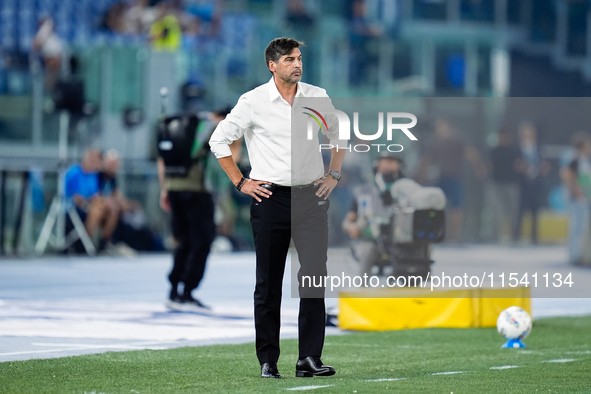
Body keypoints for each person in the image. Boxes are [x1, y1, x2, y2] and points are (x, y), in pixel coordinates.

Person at [209, 37, 344, 379]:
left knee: (313, 279)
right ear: (272, 65)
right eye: (289, 60)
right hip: (270, 198)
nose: (297, 64)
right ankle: (268, 360)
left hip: (311, 198)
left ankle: (309, 359)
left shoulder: (317, 96)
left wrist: (334, 173)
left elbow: (337, 135)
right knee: (269, 282)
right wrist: (241, 181)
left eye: (299, 58)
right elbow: (218, 140)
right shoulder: (252, 101)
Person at [158, 114, 216, 310]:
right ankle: (188, 291)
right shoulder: (211, 127)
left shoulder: (174, 126)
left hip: (174, 187)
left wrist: (164, 188)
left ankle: (174, 289)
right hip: (196, 190)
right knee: (201, 241)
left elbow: (162, 160)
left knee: (182, 240)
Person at [416, 119, 487, 242]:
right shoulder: (435, 142)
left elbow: (471, 153)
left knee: (457, 206)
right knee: (437, 207)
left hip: (454, 177)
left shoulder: (457, 139)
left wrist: (478, 167)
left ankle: (455, 234)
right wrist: (420, 174)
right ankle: (441, 233)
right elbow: (427, 160)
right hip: (439, 178)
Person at [342, 153, 404, 276]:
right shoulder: (363, 192)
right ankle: (364, 289)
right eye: (385, 161)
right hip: (368, 241)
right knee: (368, 250)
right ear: (377, 165)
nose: (388, 164)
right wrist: (351, 227)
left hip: (399, 243)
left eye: (392, 161)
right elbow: (347, 222)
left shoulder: (406, 192)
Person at [65, 149, 119, 251]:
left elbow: (96, 194)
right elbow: (77, 199)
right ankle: (85, 243)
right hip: (73, 208)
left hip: (90, 204)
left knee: (112, 210)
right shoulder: (74, 173)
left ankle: (103, 244)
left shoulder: (93, 175)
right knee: (98, 209)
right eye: (94, 160)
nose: (96, 163)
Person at [513, 121, 550, 244]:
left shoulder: (539, 148)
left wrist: (541, 168)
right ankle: (517, 236)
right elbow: (515, 165)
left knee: (535, 211)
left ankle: (534, 237)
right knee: (520, 211)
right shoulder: (517, 149)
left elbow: (544, 164)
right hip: (522, 184)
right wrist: (523, 168)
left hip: (536, 183)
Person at [561, 132, 591, 265]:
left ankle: (582, 254)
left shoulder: (586, 161)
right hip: (577, 199)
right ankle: (574, 255)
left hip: (585, 198)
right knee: (576, 228)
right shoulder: (575, 160)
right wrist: (576, 191)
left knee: (582, 228)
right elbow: (568, 176)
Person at [488, 128, 520, 242]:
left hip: (511, 184)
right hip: (496, 184)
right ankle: (494, 236)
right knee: (496, 211)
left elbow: (518, 165)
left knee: (513, 212)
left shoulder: (514, 150)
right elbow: (489, 166)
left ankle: (514, 236)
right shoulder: (494, 151)